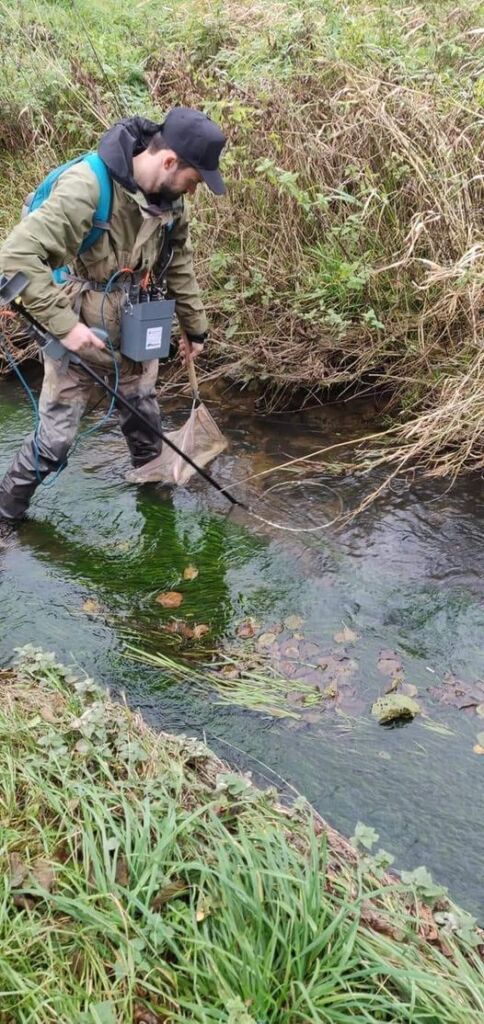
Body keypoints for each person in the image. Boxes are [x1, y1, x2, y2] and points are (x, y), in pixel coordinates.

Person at [0, 107, 226, 526]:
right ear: (170, 161)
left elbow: (178, 262)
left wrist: (195, 327)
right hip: (78, 338)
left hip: (137, 333)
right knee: (54, 444)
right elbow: (14, 257)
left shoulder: (172, 203)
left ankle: (157, 507)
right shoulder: (87, 188)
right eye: (194, 181)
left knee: (146, 424)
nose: (193, 192)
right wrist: (67, 329)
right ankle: (5, 515)